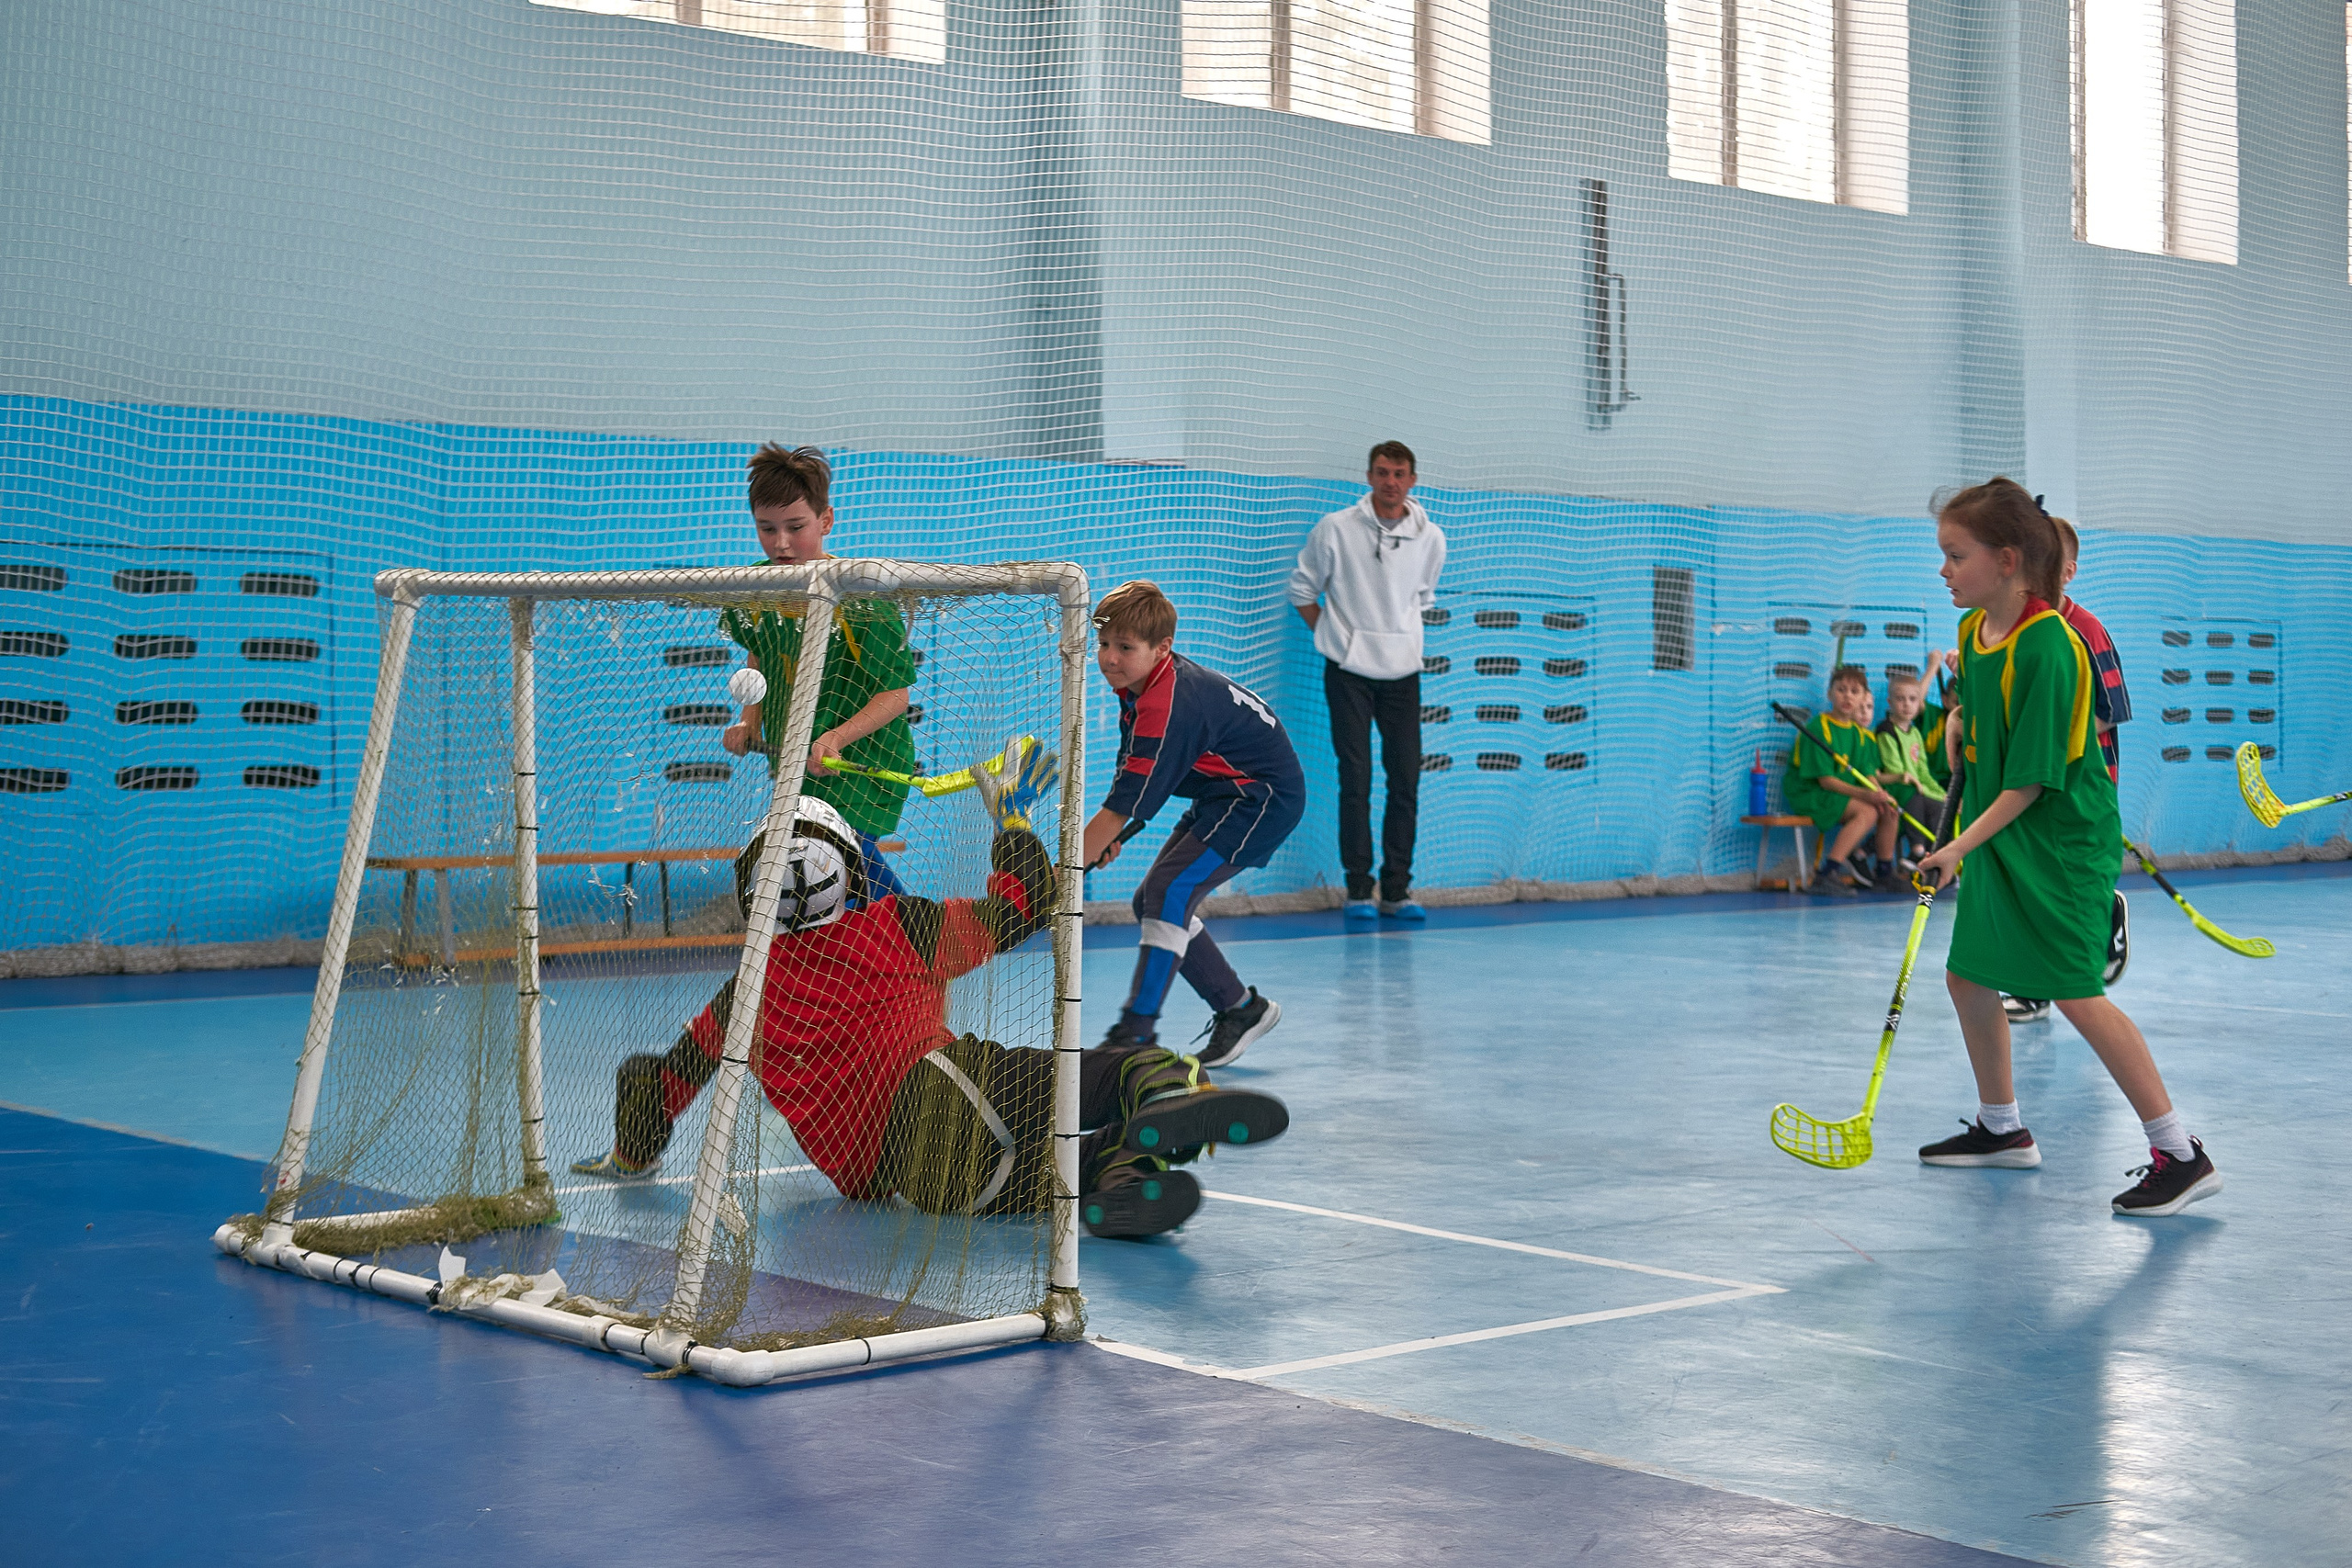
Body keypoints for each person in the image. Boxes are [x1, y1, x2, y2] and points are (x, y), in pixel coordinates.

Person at [568, 750, 1290, 1239]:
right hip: (949, 1088)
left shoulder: (741, 998)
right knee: (1134, 1070)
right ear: (848, 870)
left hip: (917, 1181)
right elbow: (1026, 902)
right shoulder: (897, 927)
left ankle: (1122, 1172)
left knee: (1061, 1171)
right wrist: (1010, 814)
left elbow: (656, 1080)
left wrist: (630, 1156)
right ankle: (1165, 1108)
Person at [1915, 477, 2219, 1216]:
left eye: (1956, 555)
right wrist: (1959, 726)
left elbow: (2032, 781)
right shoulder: (1972, 632)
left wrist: (1954, 846)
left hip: (2054, 842)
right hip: (2000, 836)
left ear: (2009, 558)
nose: (1944, 571)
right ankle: (2002, 1128)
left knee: (2078, 993)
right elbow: (1989, 730)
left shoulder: (2053, 645)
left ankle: (2181, 1152)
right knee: (1968, 978)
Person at [1084, 581, 1306, 1067]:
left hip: (1260, 798)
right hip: (1223, 793)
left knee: (1169, 893)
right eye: (1103, 644)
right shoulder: (1144, 685)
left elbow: (1126, 803)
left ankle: (1135, 1034)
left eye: (1125, 647)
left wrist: (1067, 867)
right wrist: (1107, 839)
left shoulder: (1169, 702)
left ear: (1163, 647)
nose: (1109, 658)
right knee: (1154, 899)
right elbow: (1139, 782)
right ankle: (1241, 1009)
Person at [720, 444, 916, 898]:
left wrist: (835, 738)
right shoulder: (758, 586)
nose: (781, 543)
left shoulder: (862, 594)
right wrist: (749, 721)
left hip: (860, 762)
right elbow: (760, 656)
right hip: (794, 758)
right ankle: (906, 950)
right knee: (830, 883)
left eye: (796, 527)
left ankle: (917, 946)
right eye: (766, 529)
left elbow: (895, 695)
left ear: (826, 521)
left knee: (839, 859)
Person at [1287, 440, 1446, 924]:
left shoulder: (1432, 538)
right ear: (1369, 476)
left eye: (1399, 473)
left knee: (1406, 781)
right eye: (1382, 471)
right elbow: (1302, 589)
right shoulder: (1335, 529)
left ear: (1412, 480)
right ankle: (1359, 889)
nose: (1391, 481)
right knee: (1354, 780)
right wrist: (1340, 642)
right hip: (1348, 673)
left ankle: (1397, 891)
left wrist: (1396, 641)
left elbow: (1422, 599)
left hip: (1404, 673)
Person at [1998, 514, 2134, 1023]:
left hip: (2084, 785)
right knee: (2030, 878)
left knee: (2069, 883)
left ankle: (2105, 916)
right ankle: (2031, 988)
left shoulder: (2086, 628)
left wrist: (2050, 744)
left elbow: (2112, 707)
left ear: (2068, 571)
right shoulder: (2012, 628)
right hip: (2028, 783)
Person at [1781, 665, 1902, 895]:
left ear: (1864, 697)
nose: (1847, 696)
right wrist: (1866, 796)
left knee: (1888, 809)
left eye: (1855, 691)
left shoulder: (1861, 735)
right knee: (1867, 812)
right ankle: (1827, 874)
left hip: (1840, 793)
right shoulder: (1820, 728)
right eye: (1841, 690)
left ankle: (1885, 873)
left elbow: (1868, 775)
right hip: (1811, 792)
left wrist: (1880, 795)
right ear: (1830, 694)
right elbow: (1826, 781)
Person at [1875, 670, 1948, 867]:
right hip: (1895, 786)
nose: (1907, 704)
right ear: (1890, 703)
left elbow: (1923, 771)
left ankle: (1934, 856)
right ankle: (1917, 850)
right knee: (1915, 798)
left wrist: (1942, 795)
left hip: (1914, 787)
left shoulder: (1915, 732)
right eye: (1900, 699)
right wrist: (1919, 786)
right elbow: (1894, 769)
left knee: (1939, 806)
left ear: (1919, 704)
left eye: (1912, 699)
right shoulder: (1886, 731)